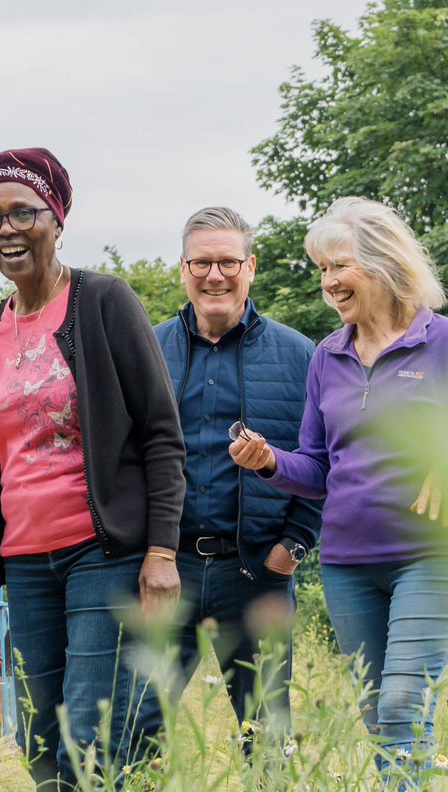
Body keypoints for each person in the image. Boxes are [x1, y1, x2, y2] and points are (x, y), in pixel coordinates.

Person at [230, 196, 448, 777]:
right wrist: (267, 462)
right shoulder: (326, 358)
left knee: (405, 703)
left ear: (383, 264)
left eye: (340, 266)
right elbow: (317, 469)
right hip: (348, 565)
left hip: (432, 556)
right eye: (323, 270)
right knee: (376, 713)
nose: (329, 282)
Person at [0, 147, 184, 792]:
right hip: (25, 562)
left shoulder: (104, 302)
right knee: (38, 735)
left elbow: (160, 433)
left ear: (56, 218)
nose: (7, 229)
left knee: (87, 729)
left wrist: (162, 550)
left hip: (102, 553)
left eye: (23, 212)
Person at [154, 206, 320, 741]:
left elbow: (326, 462)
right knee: (138, 730)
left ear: (251, 267)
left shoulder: (301, 357)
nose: (215, 275)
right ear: (182, 270)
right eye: (201, 262)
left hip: (256, 575)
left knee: (267, 737)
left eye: (228, 261)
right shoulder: (148, 350)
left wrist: (292, 547)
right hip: (165, 572)